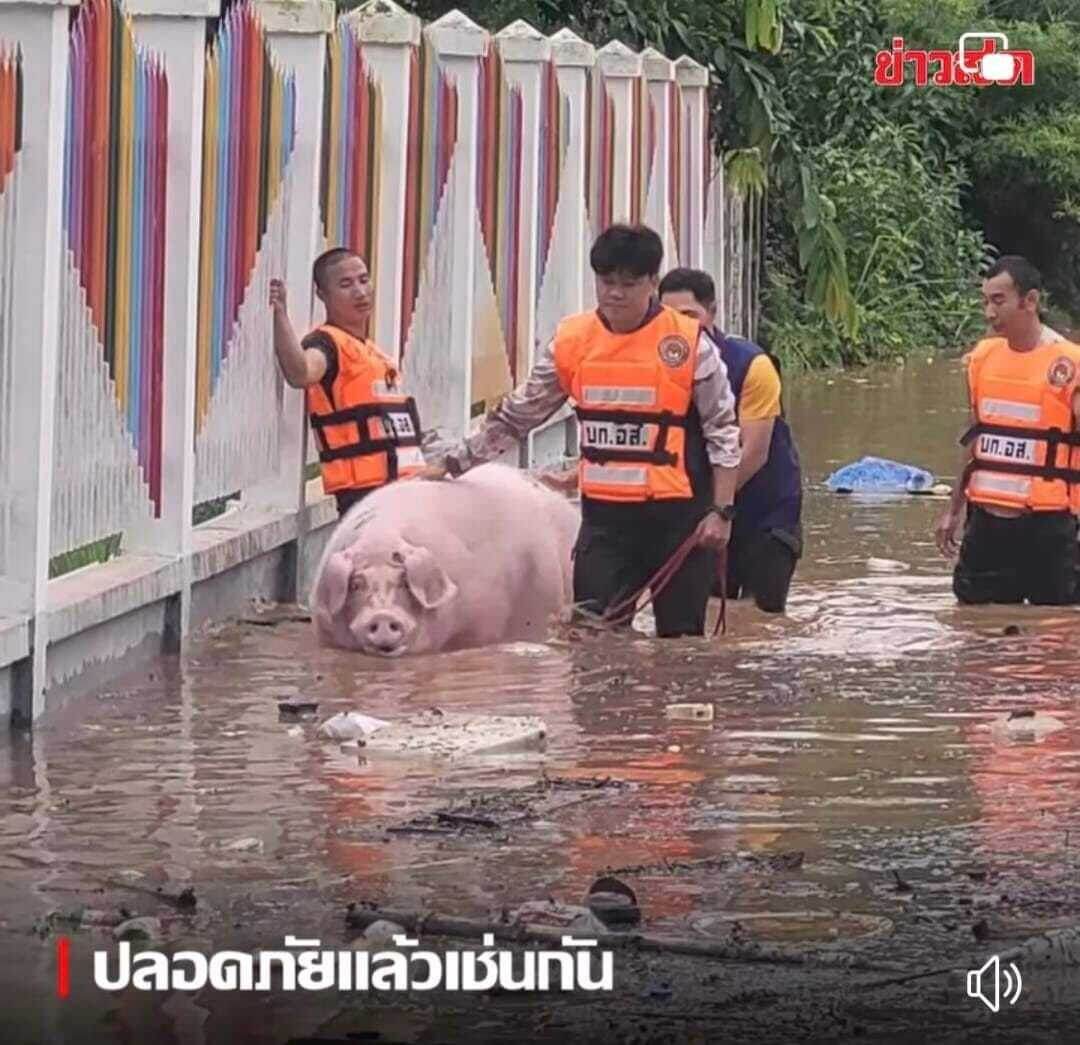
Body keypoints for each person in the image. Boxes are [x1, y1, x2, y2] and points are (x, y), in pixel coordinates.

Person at [416, 223, 742, 639]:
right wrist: (453, 463)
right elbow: (519, 414)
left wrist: (722, 512)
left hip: (678, 519)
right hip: (605, 522)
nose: (616, 294)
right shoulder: (572, 341)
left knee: (679, 645)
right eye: (607, 283)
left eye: (629, 283)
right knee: (590, 637)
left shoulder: (690, 344)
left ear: (653, 284)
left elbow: (723, 431)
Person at [934, 255, 1080, 604]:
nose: (988, 312)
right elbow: (974, 441)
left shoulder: (1068, 364)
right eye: (985, 301)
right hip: (986, 525)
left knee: (1055, 636)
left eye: (998, 301)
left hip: (1048, 527)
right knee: (976, 629)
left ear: (1030, 301)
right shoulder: (982, 359)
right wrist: (953, 511)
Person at [658, 267, 803, 613]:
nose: (682, 327)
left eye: (690, 316)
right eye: (669, 317)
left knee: (760, 620)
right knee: (701, 615)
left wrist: (712, 508)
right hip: (696, 509)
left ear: (712, 313)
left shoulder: (753, 366)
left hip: (765, 513)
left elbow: (753, 453)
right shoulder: (659, 364)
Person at [269, 248, 426, 516]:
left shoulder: (376, 355)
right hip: (365, 497)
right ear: (322, 295)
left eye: (364, 280)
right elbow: (301, 373)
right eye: (346, 284)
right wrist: (280, 314)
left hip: (402, 490)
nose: (360, 292)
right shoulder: (326, 345)